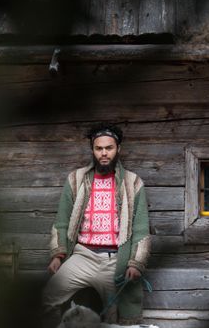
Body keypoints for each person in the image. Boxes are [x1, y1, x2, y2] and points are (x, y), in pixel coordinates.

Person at [42, 123, 150, 326]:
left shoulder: (133, 182)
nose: (104, 153)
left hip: (114, 260)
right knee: (47, 296)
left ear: (118, 149)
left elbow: (141, 229)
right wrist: (58, 255)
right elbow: (62, 221)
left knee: (114, 314)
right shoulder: (76, 179)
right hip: (83, 255)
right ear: (92, 150)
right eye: (99, 148)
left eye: (109, 148)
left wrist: (135, 263)